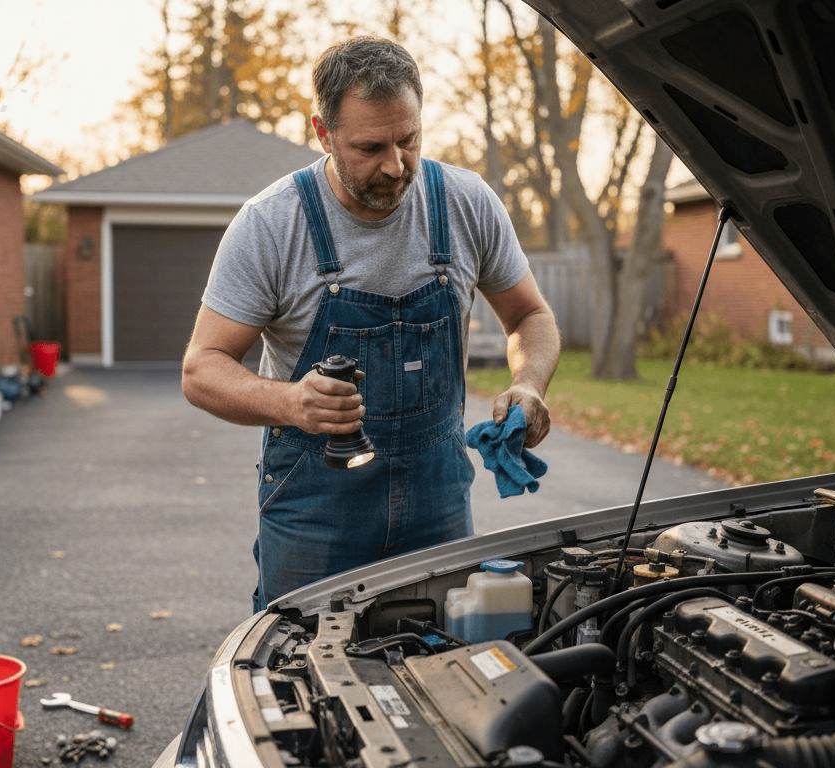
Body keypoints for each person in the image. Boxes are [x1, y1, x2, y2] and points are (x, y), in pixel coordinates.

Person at [182, 35, 560, 611]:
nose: (396, 165)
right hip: (315, 514)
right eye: (371, 147)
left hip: (438, 502)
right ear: (323, 133)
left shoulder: (466, 203)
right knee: (301, 658)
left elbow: (530, 315)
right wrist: (292, 403)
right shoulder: (271, 225)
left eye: (409, 140)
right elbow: (201, 370)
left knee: (449, 650)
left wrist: (529, 383)